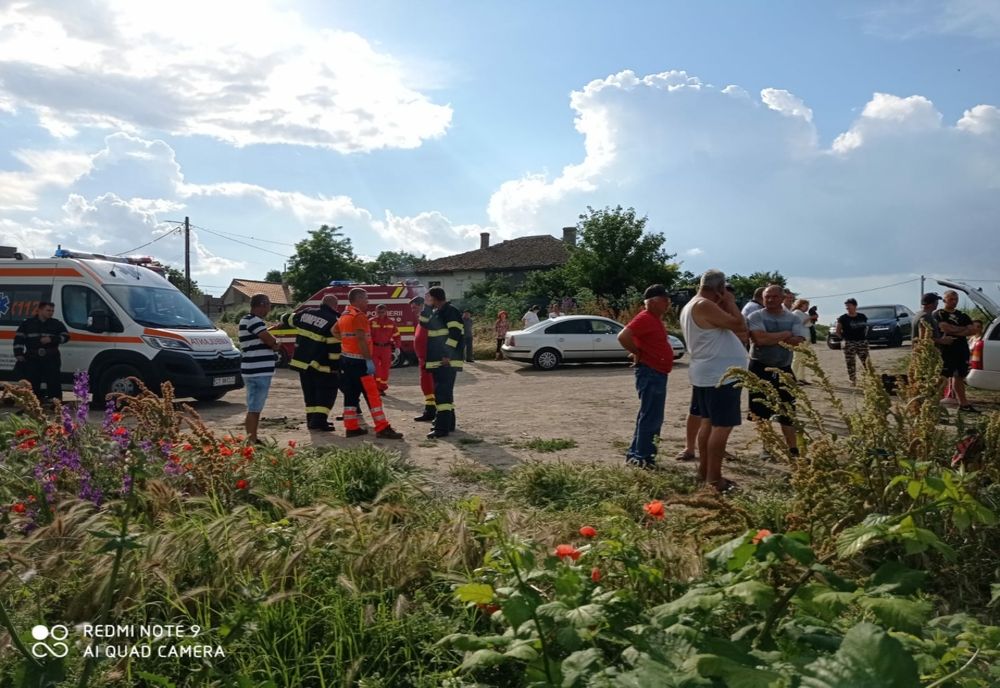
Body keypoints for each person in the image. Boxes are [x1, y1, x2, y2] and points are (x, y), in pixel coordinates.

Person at [679, 269, 749, 492]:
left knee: (708, 423)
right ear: (719, 288)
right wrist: (729, 301)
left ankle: (705, 472)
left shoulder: (692, 305)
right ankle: (714, 479)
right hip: (720, 375)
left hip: (707, 373)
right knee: (721, 426)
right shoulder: (704, 305)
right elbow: (739, 325)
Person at [617, 284, 675, 470]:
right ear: (653, 302)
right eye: (665, 300)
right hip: (651, 372)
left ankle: (636, 456)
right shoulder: (645, 318)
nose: (668, 304)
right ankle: (643, 458)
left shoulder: (653, 319)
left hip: (655, 372)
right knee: (651, 417)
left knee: (648, 415)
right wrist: (637, 352)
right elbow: (623, 336)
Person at [747, 286, 808, 457]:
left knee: (788, 410)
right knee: (760, 410)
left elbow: (798, 341)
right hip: (760, 366)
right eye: (767, 297)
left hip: (784, 368)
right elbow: (759, 339)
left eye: (774, 296)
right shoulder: (756, 316)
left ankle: (793, 449)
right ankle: (767, 448)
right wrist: (785, 334)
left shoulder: (792, 317)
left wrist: (771, 337)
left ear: (782, 298)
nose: (771, 300)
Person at [335, 288, 403, 439]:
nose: (368, 301)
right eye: (366, 298)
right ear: (358, 299)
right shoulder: (359, 316)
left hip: (347, 359)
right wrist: (367, 360)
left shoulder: (344, 315)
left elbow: (335, 331)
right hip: (360, 361)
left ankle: (351, 427)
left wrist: (346, 343)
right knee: (372, 394)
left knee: (351, 395)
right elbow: (361, 340)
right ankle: (382, 427)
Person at [283, 294, 341, 431]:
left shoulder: (307, 312)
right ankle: (319, 421)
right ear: (334, 306)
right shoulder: (333, 321)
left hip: (302, 364)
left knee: (309, 393)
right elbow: (334, 348)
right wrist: (335, 367)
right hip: (321, 365)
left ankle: (311, 420)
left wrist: (283, 317)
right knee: (327, 392)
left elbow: (287, 318)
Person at [238, 294, 281, 443]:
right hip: (257, 371)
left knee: (255, 406)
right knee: (255, 408)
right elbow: (270, 341)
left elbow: (260, 337)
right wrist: (276, 342)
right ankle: (252, 440)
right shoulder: (255, 321)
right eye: (269, 304)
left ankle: (253, 438)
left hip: (254, 370)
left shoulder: (249, 320)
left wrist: (271, 331)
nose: (270, 308)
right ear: (262, 304)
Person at [424, 287, 465, 438]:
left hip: (446, 361)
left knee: (442, 394)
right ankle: (448, 423)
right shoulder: (436, 312)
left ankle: (441, 429)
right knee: (444, 393)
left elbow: (455, 334)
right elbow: (423, 323)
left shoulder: (450, 311)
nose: (427, 300)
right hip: (438, 361)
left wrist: (447, 354)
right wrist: (427, 307)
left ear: (435, 298)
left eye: (428, 298)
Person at [13, 301, 69, 403]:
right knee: (33, 382)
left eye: (52, 311)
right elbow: (19, 339)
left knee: (53, 381)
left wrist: (52, 339)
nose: (50, 313)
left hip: (51, 357)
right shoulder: (27, 324)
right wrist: (18, 353)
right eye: (48, 310)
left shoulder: (56, 324)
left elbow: (66, 337)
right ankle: (34, 404)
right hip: (33, 357)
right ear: (39, 310)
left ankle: (55, 404)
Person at [934, 290, 979, 414]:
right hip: (947, 349)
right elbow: (944, 328)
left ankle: (963, 404)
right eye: (951, 299)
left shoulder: (962, 315)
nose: (954, 302)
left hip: (961, 349)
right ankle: (934, 404)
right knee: (943, 377)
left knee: (959, 376)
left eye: (956, 299)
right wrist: (962, 330)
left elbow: (972, 330)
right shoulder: (939, 314)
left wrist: (956, 331)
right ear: (945, 300)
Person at [410, 296, 437, 422]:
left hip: (429, 359)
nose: (412, 310)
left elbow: (433, 339)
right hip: (424, 359)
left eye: (414, 307)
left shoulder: (428, 319)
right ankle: (430, 410)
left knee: (431, 385)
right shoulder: (422, 320)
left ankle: (432, 411)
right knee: (426, 386)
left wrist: (428, 357)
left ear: (421, 305)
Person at [836, 298, 870, 386]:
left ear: (855, 306)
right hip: (849, 343)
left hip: (862, 342)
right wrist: (844, 339)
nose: (847, 308)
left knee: (866, 361)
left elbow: (865, 328)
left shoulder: (862, 316)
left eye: (849, 306)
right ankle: (853, 380)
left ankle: (871, 378)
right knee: (850, 362)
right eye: (846, 307)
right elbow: (838, 331)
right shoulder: (843, 318)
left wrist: (864, 339)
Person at [370, 304, 401, 393]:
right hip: (375, 348)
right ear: (375, 312)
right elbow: (367, 336)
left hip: (386, 348)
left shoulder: (391, 322)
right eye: (378, 312)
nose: (380, 314)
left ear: (386, 312)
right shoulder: (371, 321)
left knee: (385, 369)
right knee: (376, 369)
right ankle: (377, 387)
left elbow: (397, 336)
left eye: (382, 312)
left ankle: (382, 388)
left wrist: (397, 347)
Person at [790, 298, 812, 384]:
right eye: (806, 305)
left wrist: (811, 318)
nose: (807, 307)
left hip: (805, 338)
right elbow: (802, 323)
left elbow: (809, 324)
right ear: (800, 305)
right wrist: (810, 317)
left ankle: (801, 377)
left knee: (803, 359)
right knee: (797, 358)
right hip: (799, 338)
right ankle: (793, 377)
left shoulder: (803, 314)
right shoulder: (796, 313)